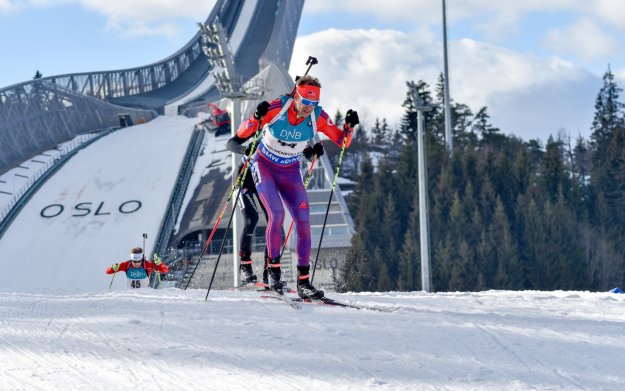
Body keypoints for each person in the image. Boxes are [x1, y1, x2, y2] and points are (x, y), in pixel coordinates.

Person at [226, 75, 359, 299]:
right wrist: (256, 118)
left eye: (313, 104)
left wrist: (349, 127)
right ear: (296, 96)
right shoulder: (276, 109)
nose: (309, 109)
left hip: (289, 172)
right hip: (264, 166)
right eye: (306, 103)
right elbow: (236, 140)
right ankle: (273, 272)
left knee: (304, 219)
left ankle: (304, 281)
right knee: (275, 215)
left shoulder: (316, 116)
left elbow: (343, 142)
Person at [234, 142, 324, 286]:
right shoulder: (266, 128)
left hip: (264, 180)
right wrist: (245, 149)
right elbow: (231, 143)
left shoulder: (290, 132)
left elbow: (307, 152)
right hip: (244, 178)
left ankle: (268, 274)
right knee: (252, 219)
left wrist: (314, 154)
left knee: (273, 220)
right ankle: (245, 266)